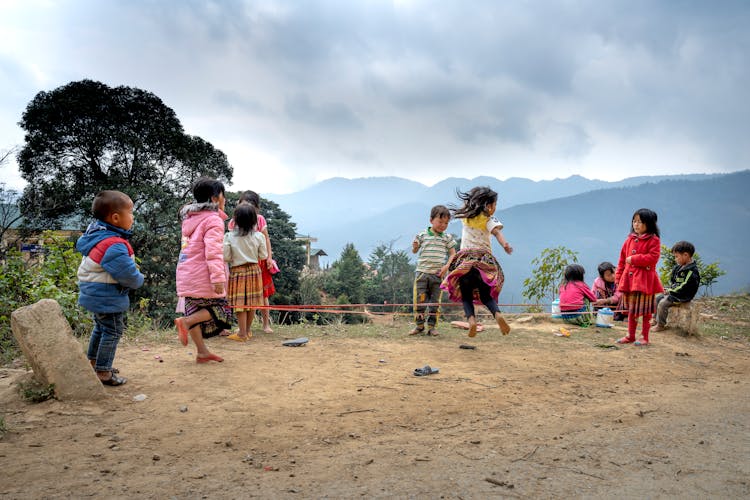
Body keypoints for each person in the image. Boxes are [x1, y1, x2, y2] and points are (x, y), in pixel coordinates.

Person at [76, 190, 144, 386]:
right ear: (115, 218)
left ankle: (94, 362)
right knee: (113, 331)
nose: (133, 218)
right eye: (131, 213)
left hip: (94, 293)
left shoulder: (97, 236)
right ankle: (104, 372)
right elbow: (128, 275)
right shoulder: (114, 244)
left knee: (101, 328)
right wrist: (139, 279)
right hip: (106, 296)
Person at [441, 186, 513, 338]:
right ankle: (498, 315)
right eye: (494, 204)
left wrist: (474, 199)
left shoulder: (466, 216)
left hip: (465, 262)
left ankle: (472, 321)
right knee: (487, 297)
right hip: (483, 264)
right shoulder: (489, 219)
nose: (495, 208)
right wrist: (505, 245)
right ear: (488, 206)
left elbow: (465, 207)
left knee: (466, 296)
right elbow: (497, 233)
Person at [174, 177, 231, 363]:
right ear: (215, 199)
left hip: (186, 273)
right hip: (204, 275)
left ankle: (202, 352)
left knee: (194, 309)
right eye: (223, 195)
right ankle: (186, 322)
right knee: (222, 308)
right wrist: (217, 278)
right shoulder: (213, 220)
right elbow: (213, 251)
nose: (225, 200)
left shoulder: (190, 219)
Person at [615, 208, 664, 346]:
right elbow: (622, 260)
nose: (636, 224)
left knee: (646, 311)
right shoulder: (629, 239)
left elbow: (653, 258)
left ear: (649, 224)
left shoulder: (654, 240)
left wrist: (634, 259)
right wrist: (618, 277)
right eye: (634, 221)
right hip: (630, 281)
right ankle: (630, 335)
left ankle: (644, 337)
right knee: (632, 309)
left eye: (640, 222)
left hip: (645, 282)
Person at [410, 205, 457, 336]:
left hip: (438, 275)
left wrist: (446, 266)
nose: (443, 225)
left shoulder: (447, 238)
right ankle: (419, 326)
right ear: (431, 220)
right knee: (420, 301)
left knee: (435, 303)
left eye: (446, 223)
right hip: (422, 275)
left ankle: (432, 327)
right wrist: (414, 246)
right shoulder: (422, 235)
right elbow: (414, 251)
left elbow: (453, 254)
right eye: (440, 222)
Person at [223, 203, 268, 341]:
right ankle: (247, 331)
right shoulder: (259, 236)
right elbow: (263, 256)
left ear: (235, 220)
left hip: (238, 271)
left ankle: (241, 333)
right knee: (252, 302)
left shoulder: (229, 237)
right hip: (255, 270)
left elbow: (226, 257)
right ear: (255, 220)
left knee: (240, 303)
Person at [235, 191, 276, 333]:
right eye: (244, 203)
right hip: (242, 263)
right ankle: (245, 328)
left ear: (256, 207)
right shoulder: (235, 221)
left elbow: (266, 239)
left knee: (263, 295)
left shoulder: (260, 220)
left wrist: (269, 257)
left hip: (259, 262)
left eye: (250, 204)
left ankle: (266, 324)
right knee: (243, 296)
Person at [653, 241, 700, 332]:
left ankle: (660, 325)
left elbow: (684, 286)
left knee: (663, 303)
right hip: (675, 293)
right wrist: (668, 289)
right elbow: (674, 282)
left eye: (676, 256)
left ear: (686, 255)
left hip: (682, 296)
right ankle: (655, 319)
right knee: (657, 298)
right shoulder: (679, 267)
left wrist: (670, 291)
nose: (675, 259)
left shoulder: (692, 272)